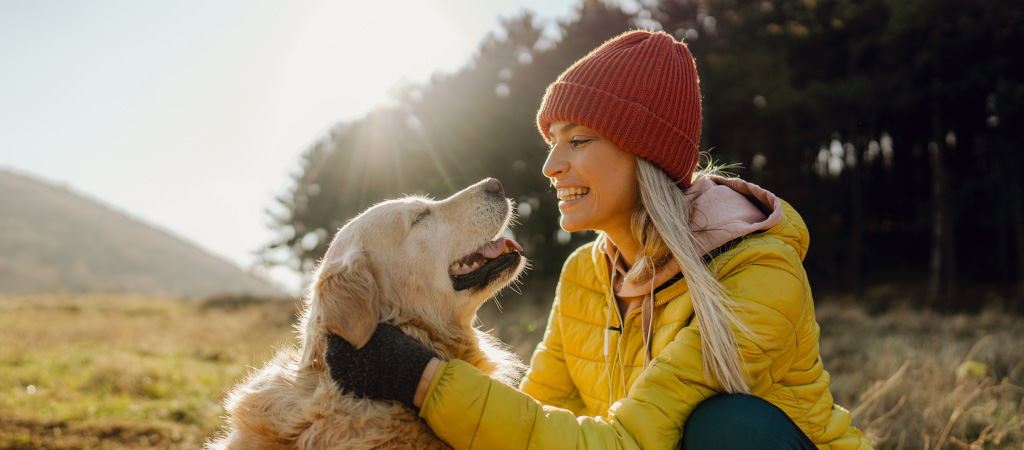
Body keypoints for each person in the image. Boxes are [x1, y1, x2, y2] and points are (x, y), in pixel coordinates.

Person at [324, 30, 874, 449]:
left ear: (644, 154)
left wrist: (422, 380)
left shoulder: (756, 272)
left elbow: (625, 442)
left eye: (578, 141)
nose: (550, 165)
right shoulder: (584, 274)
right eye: (551, 141)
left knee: (727, 426)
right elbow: (534, 417)